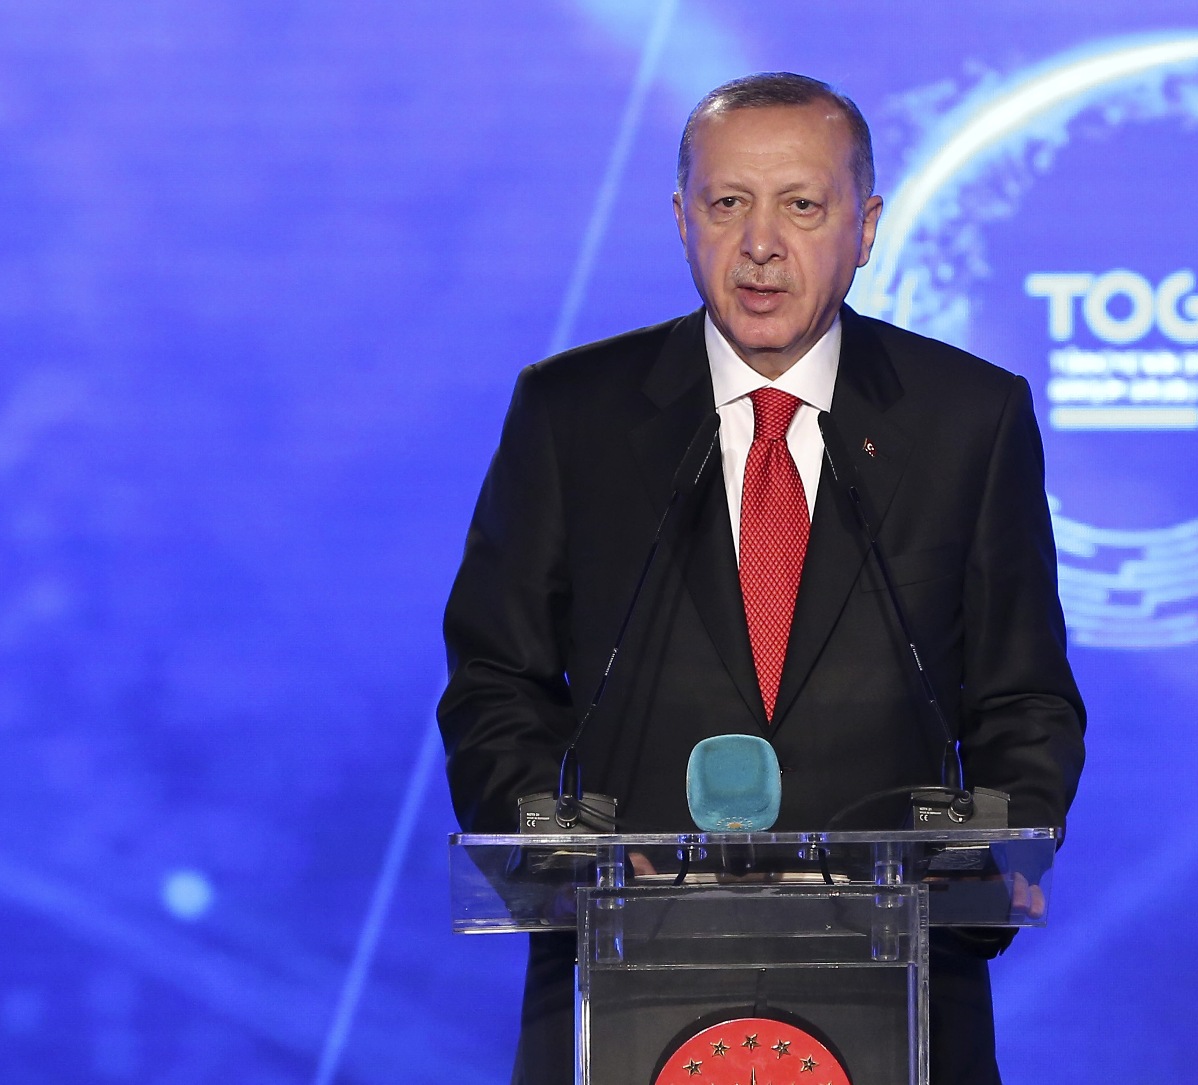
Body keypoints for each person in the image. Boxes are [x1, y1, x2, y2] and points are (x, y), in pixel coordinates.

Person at [436, 71, 1085, 1085]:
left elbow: (1023, 697)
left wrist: (977, 860)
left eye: (802, 205)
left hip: (898, 979)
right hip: (624, 974)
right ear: (680, 220)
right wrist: (559, 851)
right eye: (727, 202)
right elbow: (494, 679)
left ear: (865, 227)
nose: (761, 244)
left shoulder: (969, 418)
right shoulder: (572, 414)